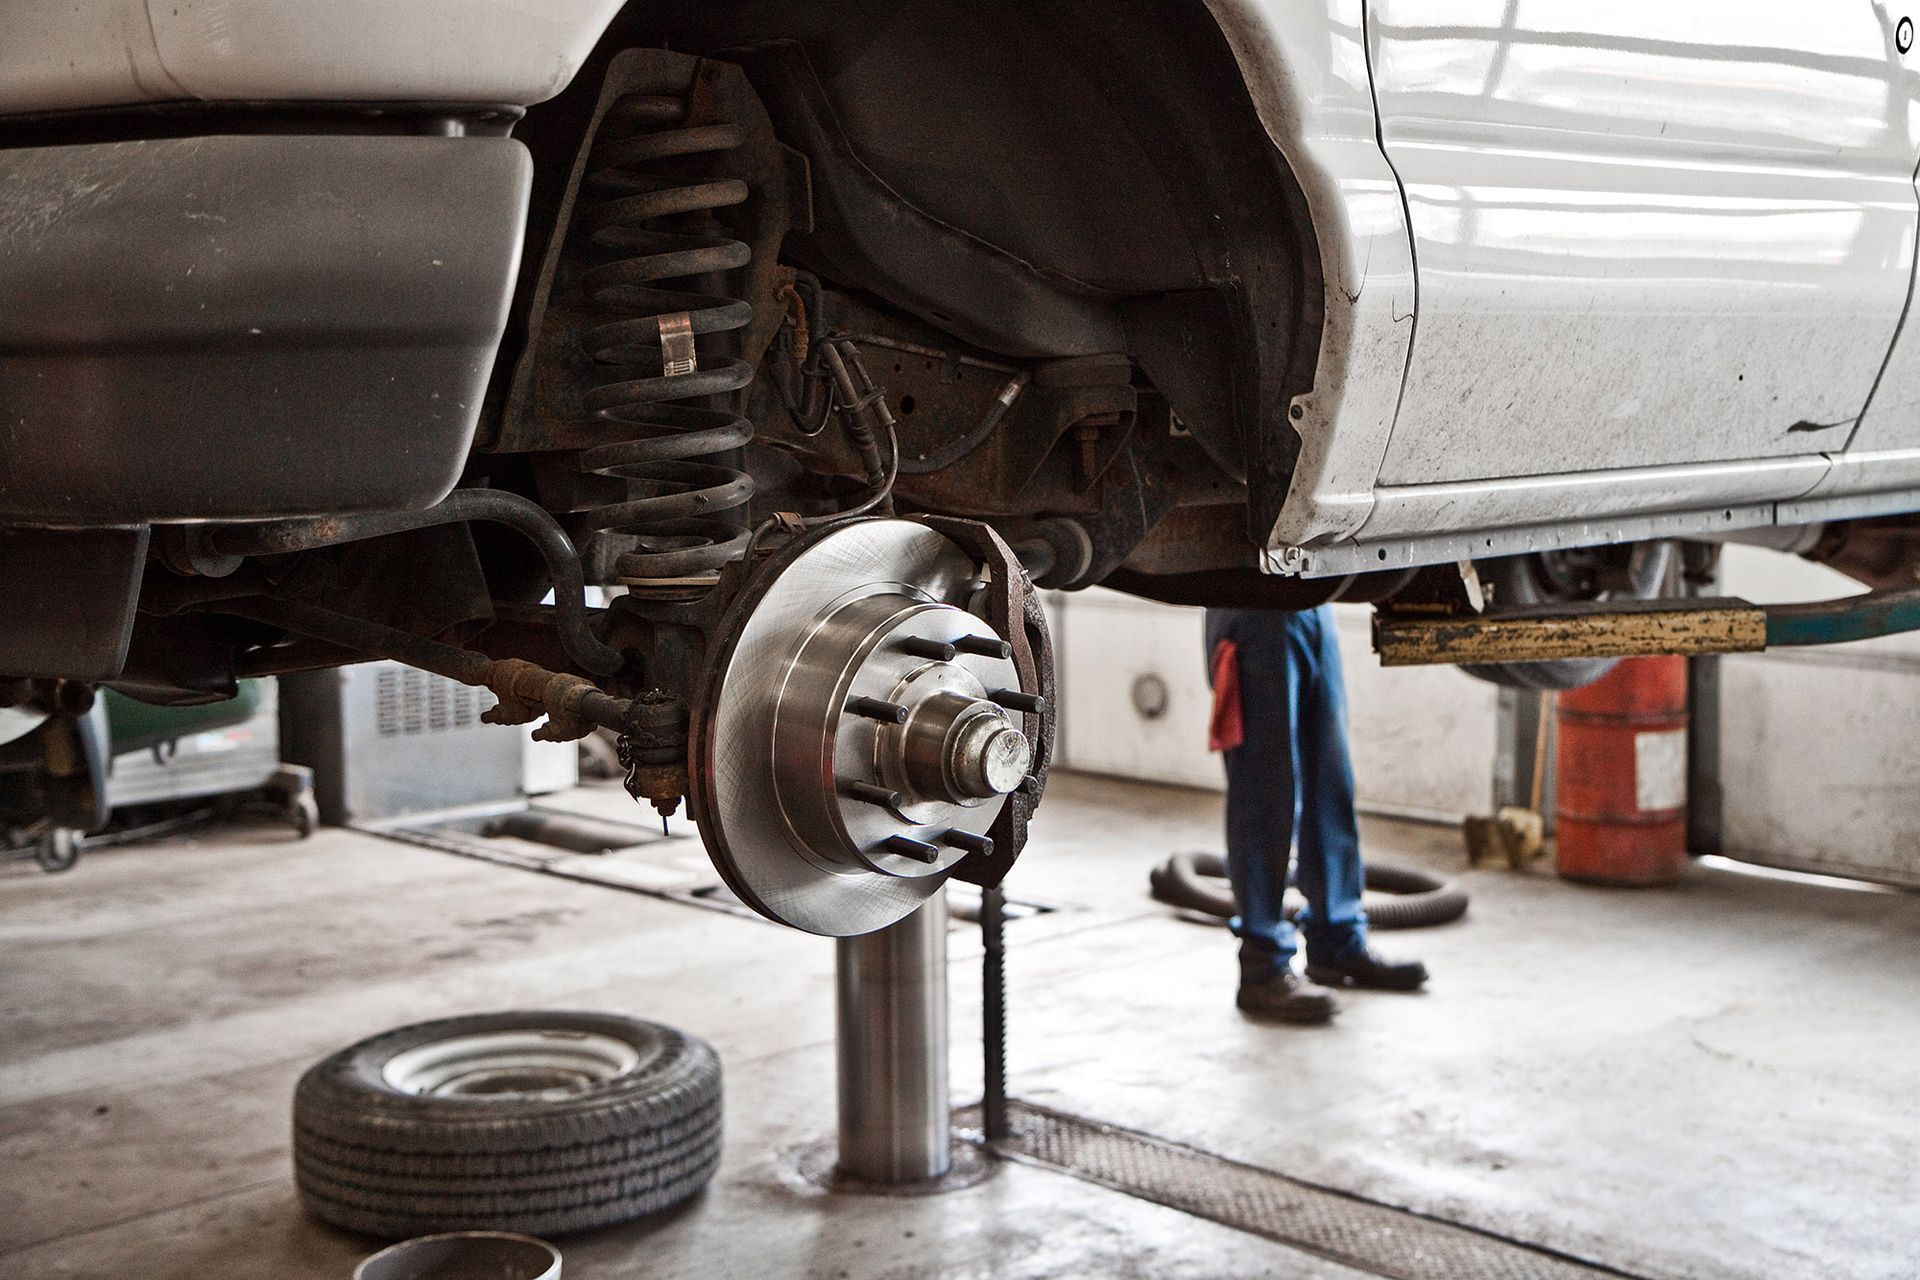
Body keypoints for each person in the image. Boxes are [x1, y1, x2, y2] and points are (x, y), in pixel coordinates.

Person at [1205, 606, 1427, 1023]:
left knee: (1331, 778)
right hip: (1251, 602)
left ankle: (1336, 941)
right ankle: (1262, 967)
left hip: (1314, 600)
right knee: (1265, 790)